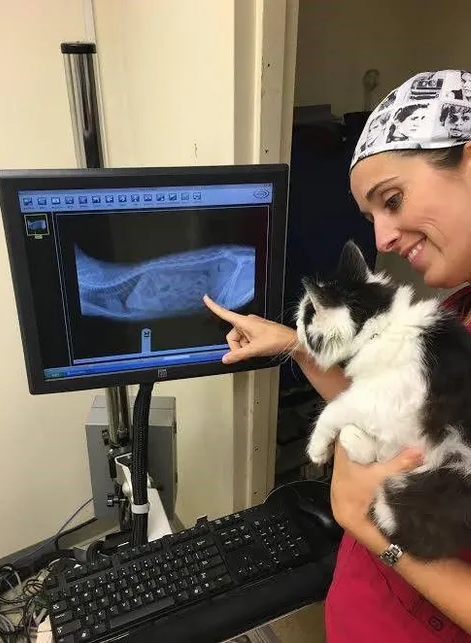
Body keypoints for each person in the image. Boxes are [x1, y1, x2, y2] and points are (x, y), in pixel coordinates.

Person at [204, 69, 471, 641]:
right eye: (372, 215)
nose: (382, 239)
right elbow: (399, 421)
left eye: (392, 200)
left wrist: (364, 524)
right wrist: (299, 346)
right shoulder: (458, 310)